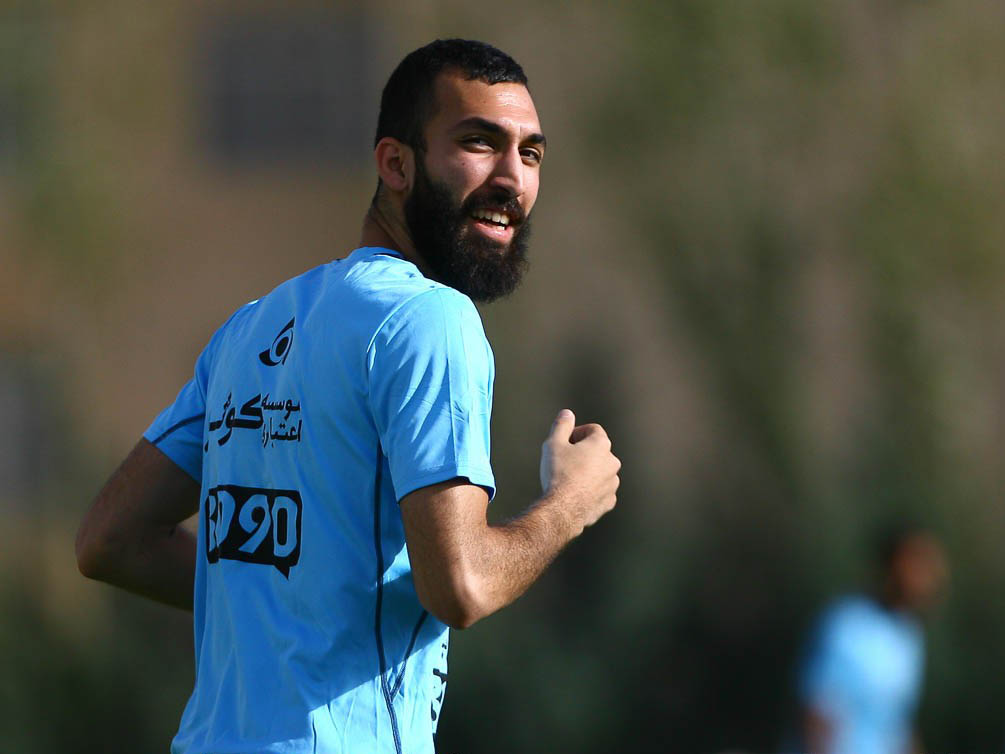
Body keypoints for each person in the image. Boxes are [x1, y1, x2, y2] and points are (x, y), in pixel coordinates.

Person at [74, 39, 621, 754]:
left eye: (531, 154)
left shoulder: (254, 326)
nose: (512, 178)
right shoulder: (432, 318)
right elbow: (461, 587)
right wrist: (568, 507)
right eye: (479, 143)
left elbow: (108, 540)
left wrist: (296, 602)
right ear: (395, 163)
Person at [790, 525, 948, 754]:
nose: (927, 578)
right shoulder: (845, 627)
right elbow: (815, 714)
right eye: (918, 565)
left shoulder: (910, 636)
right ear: (892, 565)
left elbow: (896, 724)